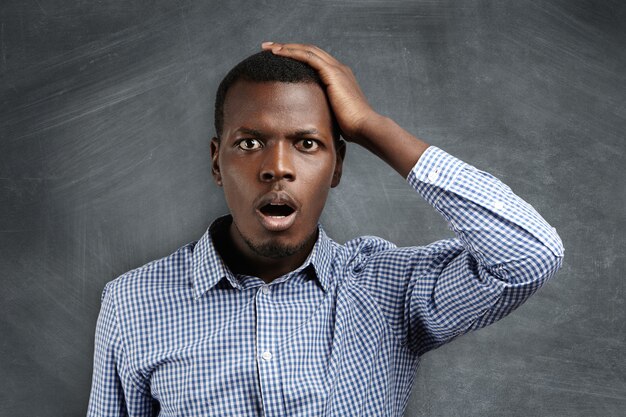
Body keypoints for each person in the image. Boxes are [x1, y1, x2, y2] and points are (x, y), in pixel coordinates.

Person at [87, 42, 564, 416]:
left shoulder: (389, 290)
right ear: (217, 161)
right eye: (250, 142)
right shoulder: (132, 302)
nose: (277, 167)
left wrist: (371, 127)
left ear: (336, 167)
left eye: (308, 144)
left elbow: (529, 255)